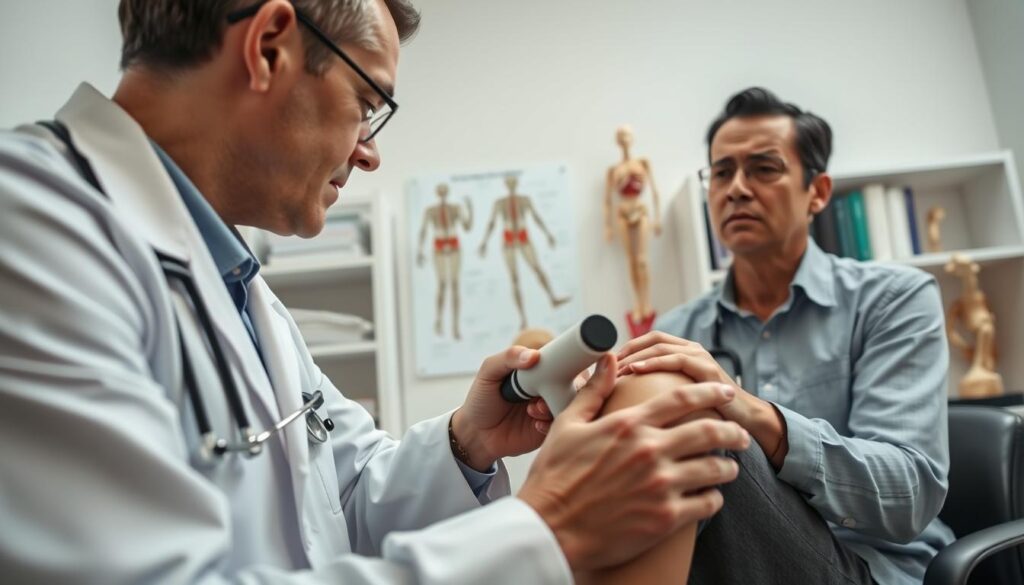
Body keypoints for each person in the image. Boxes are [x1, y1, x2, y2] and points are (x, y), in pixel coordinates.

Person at [0, 1, 752, 583]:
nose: (369, 150)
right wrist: (549, 525)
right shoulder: (31, 226)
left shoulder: (244, 293)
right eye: (367, 101)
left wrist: (468, 442)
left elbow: (340, 505)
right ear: (268, 48)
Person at [618, 87, 954, 584]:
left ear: (817, 192)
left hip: (866, 567)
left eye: (764, 169)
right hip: (732, 564)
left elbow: (909, 494)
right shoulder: (679, 329)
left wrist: (747, 410)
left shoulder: (894, 300)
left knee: (707, 429)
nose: (736, 189)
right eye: (722, 172)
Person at [479, 174, 570, 330]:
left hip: (523, 238)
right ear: (506, 185)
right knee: (514, 278)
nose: (511, 184)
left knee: (537, 268)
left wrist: (548, 234)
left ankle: (552, 298)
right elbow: (492, 222)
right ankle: (522, 317)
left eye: (513, 182)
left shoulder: (525, 200)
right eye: (509, 182)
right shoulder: (499, 203)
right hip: (508, 242)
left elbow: (536, 217)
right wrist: (484, 242)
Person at [604, 125, 662, 337]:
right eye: (620, 136)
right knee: (630, 260)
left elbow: (654, 191)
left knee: (642, 260)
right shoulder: (613, 170)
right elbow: (607, 201)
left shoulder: (643, 163)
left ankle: (647, 304)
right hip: (623, 213)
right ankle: (637, 305)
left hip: (640, 210)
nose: (624, 139)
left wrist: (657, 218)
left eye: (627, 135)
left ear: (632, 137)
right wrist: (607, 226)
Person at [415, 182, 472, 339]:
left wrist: (469, 208)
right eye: (439, 190)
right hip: (439, 248)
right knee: (442, 285)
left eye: (444, 190)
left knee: (454, 285)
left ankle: (455, 326)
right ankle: (439, 321)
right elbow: (423, 230)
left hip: (454, 247)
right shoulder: (430, 211)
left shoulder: (455, 209)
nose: (442, 193)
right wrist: (419, 250)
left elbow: (467, 227)